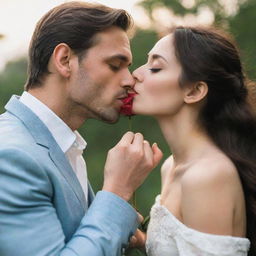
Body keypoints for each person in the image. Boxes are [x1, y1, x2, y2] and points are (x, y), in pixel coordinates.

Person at [0, 2, 163, 256]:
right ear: (65, 60)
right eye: (115, 64)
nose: (129, 79)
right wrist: (117, 192)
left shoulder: (63, 143)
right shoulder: (11, 156)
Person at [132, 26, 256, 256]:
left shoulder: (208, 175)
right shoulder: (171, 166)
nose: (136, 74)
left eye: (156, 68)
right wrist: (141, 239)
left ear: (194, 91)